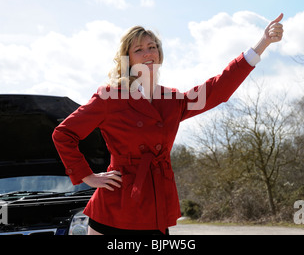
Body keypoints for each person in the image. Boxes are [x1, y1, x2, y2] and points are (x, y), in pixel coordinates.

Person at [52, 14, 284, 235]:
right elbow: (63, 134)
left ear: (160, 54)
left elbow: (216, 89)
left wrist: (261, 44)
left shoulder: (171, 100)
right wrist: (87, 176)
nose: (147, 53)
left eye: (152, 47)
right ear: (128, 59)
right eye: (139, 49)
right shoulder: (110, 96)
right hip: (117, 205)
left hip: (156, 203)